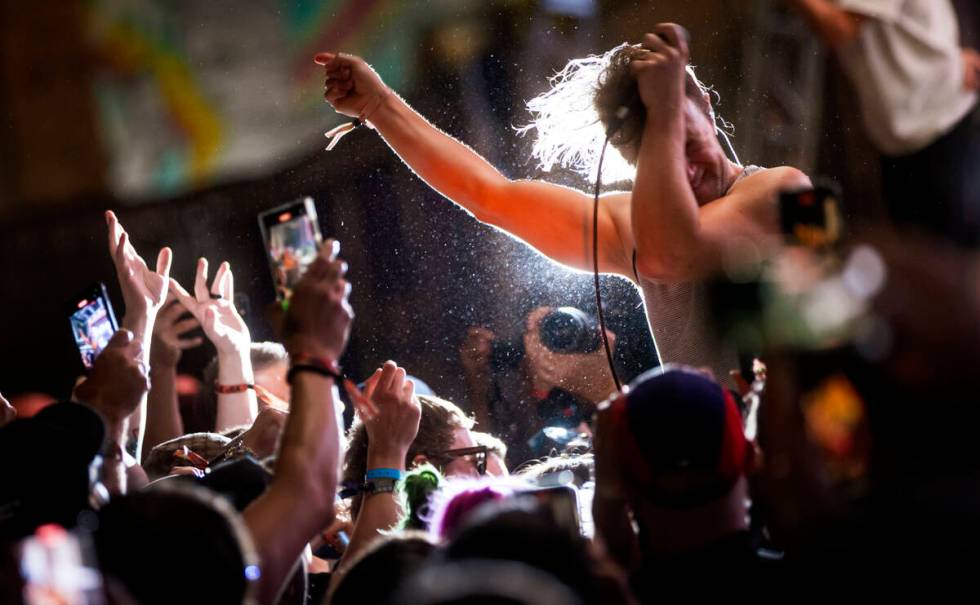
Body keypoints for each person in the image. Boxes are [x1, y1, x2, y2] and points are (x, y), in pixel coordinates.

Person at [315, 24, 810, 386]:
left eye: (688, 143)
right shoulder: (631, 223)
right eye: (660, 156)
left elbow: (671, 253)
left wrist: (662, 117)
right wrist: (380, 109)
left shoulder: (785, 189)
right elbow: (490, 197)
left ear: (702, 102)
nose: (685, 171)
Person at [790, 0, 980, 245]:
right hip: (908, 134)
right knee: (921, 262)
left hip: (937, 126)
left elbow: (838, 27)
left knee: (944, 264)